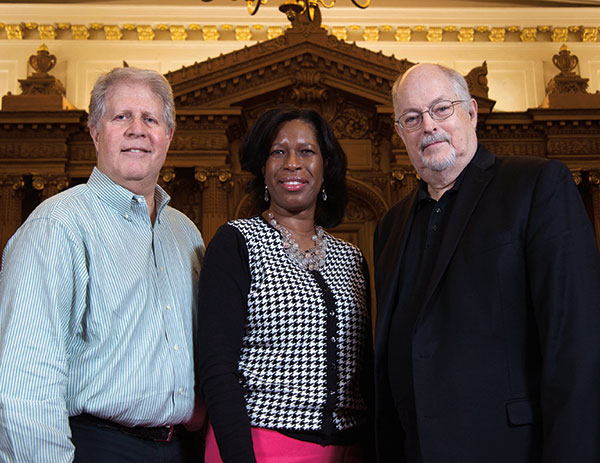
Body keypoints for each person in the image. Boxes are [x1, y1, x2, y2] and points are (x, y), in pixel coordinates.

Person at [373, 63, 600, 463]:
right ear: (400, 133)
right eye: (412, 118)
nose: (428, 126)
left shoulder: (537, 185)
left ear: (471, 112)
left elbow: (576, 342)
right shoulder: (390, 226)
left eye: (441, 109)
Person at [0, 67, 205, 463]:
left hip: (179, 449)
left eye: (150, 119)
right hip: (93, 446)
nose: (137, 130)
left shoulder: (185, 233)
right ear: (95, 132)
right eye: (121, 116)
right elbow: (25, 380)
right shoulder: (57, 226)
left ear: (168, 136)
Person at [196, 106, 373, 463]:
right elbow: (216, 366)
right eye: (278, 151)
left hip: (349, 448)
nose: (292, 162)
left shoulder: (352, 258)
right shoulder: (237, 242)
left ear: (325, 168)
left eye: (306, 151)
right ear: (263, 168)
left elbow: (365, 372)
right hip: (259, 447)